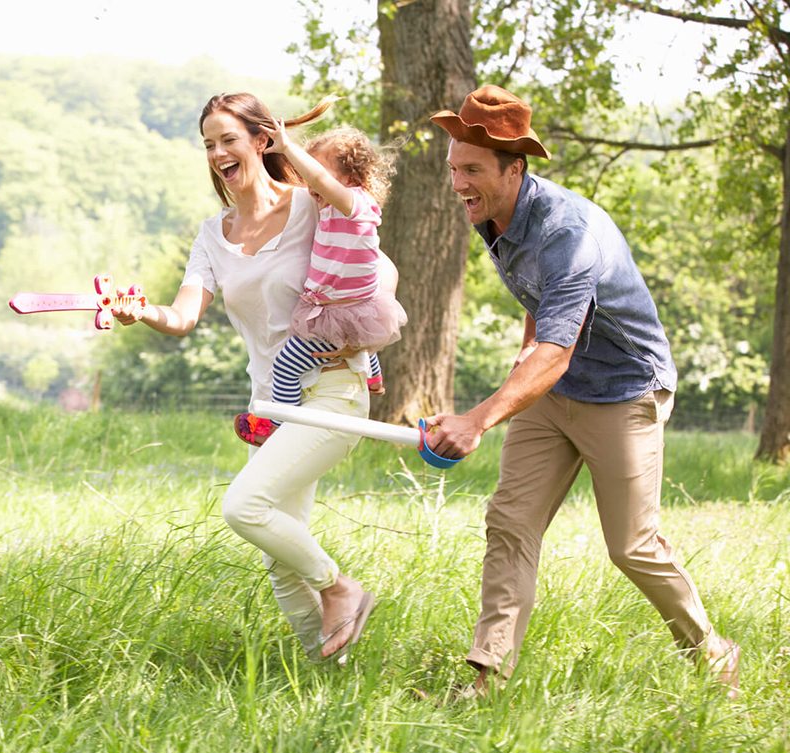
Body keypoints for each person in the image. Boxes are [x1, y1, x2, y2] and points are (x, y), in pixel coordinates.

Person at [424, 85, 739, 697]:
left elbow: (558, 350)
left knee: (631, 546)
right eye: (453, 169)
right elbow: (540, 311)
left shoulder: (569, 232)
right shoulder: (493, 213)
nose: (459, 182)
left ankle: (712, 649)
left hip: (623, 390)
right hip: (553, 389)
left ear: (515, 170)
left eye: (472, 170)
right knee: (510, 522)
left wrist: (477, 420)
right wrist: (524, 358)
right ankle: (485, 677)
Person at [113, 93, 384, 662]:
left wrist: (360, 329)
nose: (217, 153)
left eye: (227, 140)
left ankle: (340, 587)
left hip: (333, 388)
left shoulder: (310, 203)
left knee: (245, 507)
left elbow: (373, 260)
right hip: (273, 401)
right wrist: (141, 311)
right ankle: (329, 674)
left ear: (262, 141)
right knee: (281, 558)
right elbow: (183, 315)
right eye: (209, 144)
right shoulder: (214, 235)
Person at [233, 118, 408, 447]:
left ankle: (278, 423)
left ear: (350, 176)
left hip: (339, 312)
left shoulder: (355, 203)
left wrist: (287, 147)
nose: (310, 182)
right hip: (343, 306)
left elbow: (319, 180)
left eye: (318, 172)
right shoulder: (328, 208)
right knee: (354, 325)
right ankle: (372, 375)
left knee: (286, 365)